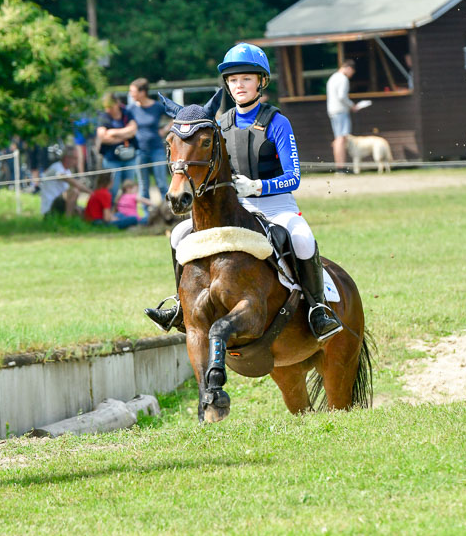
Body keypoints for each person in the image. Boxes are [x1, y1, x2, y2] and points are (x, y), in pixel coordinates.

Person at [145, 43, 343, 342]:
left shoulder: (277, 122)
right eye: (234, 80)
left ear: (261, 82)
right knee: (179, 234)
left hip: (276, 206)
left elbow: (294, 177)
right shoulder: (218, 124)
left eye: (246, 79)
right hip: (235, 208)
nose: (239, 85)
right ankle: (180, 305)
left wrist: (258, 186)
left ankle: (318, 308)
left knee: (302, 238)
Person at [128, 78, 170, 218]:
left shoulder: (157, 107)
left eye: (133, 91)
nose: (131, 94)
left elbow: (175, 116)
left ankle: (168, 212)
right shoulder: (131, 109)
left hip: (157, 149)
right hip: (139, 151)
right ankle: (147, 216)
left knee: (161, 183)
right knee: (143, 185)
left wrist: (164, 130)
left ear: (142, 92)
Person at [96, 93, 138, 202]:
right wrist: (125, 135)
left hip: (129, 158)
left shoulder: (126, 113)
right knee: (113, 189)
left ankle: (125, 210)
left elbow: (133, 130)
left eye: (110, 107)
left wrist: (112, 132)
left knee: (129, 188)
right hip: (111, 159)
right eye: (107, 107)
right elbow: (103, 137)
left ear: (117, 104)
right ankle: (110, 210)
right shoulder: (104, 116)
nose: (108, 110)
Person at [40, 145, 92, 216]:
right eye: (75, 158)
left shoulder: (68, 171)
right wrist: (91, 193)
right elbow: (73, 183)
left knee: (82, 211)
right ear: (67, 158)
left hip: (60, 204)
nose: (76, 162)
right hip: (50, 208)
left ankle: (69, 216)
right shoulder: (56, 167)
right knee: (74, 191)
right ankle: (67, 219)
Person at [326, 59, 357, 172]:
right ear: (349, 68)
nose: (350, 75)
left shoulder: (332, 77)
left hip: (333, 110)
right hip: (340, 111)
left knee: (338, 138)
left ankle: (339, 166)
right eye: (352, 72)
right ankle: (341, 167)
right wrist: (352, 105)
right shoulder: (343, 79)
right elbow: (342, 96)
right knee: (341, 138)